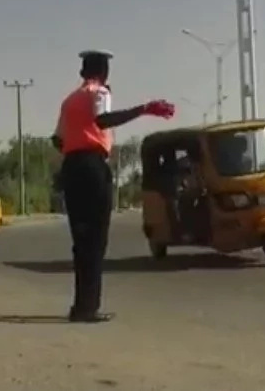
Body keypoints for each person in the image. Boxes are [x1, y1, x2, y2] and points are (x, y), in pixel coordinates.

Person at [50, 49, 175, 323]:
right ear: (104, 73)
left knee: (81, 241)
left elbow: (57, 139)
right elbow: (102, 119)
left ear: (82, 72)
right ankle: (87, 308)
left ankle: (81, 305)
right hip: (92, 168)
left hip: (72, 168)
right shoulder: (100, 92)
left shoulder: (70, 100)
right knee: (95, 240)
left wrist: (76, 145)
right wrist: (143, 109)